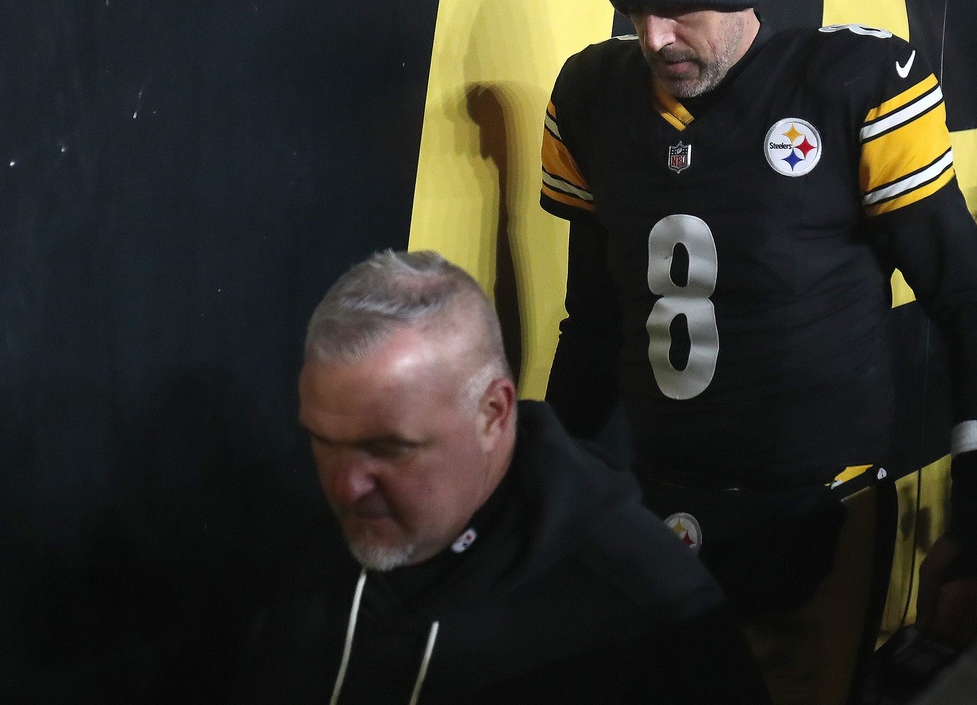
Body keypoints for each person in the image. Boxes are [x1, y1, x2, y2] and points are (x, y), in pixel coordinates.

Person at [540, 0, 977, 703]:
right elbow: (595, 322)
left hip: (818, 509)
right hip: (654, 505)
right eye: (634, 7)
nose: (653, 36)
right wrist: (550, 493)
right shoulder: (591, 94)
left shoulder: (850, 85)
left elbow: (973, 308)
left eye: (678, 6)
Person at [229, 250, 769, 704]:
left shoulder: (650, 610)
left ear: (492, 413)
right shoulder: (294, 548)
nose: (347, 487)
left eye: (389, 449)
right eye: (323, 441)